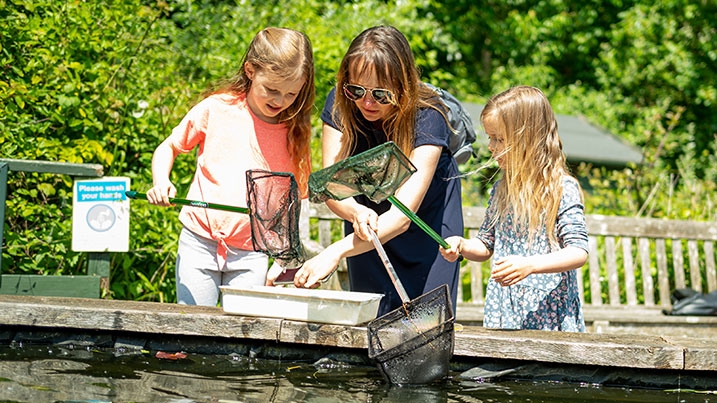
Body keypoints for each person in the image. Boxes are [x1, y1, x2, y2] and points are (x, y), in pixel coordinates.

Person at [292, 25, 464, 317]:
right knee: (371, 317)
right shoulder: (340, 103)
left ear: (403, 87)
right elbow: (332, 187)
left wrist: (335, 251)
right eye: (356, 90)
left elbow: (401, 218)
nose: (367, 103)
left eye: (381, 95)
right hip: (366, 217)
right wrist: (355, 212)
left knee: (427, 322)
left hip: (425, 219)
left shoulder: (429, 116)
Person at [145, 27, 314, 306]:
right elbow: (169, 147)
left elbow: (294, 205)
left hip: (252, 252)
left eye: (291, 94)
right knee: (193, 328)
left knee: (242, 334)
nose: (280, 101)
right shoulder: (217, 109)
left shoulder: (294, 131)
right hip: (199, 241)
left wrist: (284, 259)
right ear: (250, 70)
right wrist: (161, 180)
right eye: (271, 89)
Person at [440, 86, 589, 331]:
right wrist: (463, 245)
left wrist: (530, 265)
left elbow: (578, 252)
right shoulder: (501, 190)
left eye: (499, 139)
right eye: (490, 137)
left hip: (548, 315)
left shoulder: (561, 188)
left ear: (529, 138)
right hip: (505, 311)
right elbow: (486, 244)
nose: (490, 146)